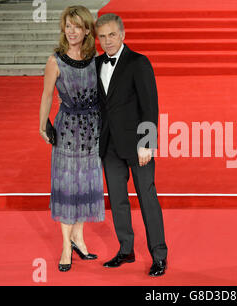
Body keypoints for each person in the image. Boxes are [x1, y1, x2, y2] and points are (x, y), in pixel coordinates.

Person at [95, 13, 168, 277]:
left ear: (123, 34)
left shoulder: (139, 62)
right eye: (102, 36)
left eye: (112, 35)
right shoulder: (96, 64)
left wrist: (147, 143)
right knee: (117, 200)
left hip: (138, 146)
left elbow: (150, 105)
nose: (107, 41)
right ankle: (126, 249)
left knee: (147, 198)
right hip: (109, 146)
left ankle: (159, 256)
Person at [38, 6, 104, 272]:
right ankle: (66, 245)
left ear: (87, 30)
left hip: (93, 129)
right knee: (66, 185)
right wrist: (43, 125)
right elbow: (46, 95)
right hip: (66, 130)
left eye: (77, 26)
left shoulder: (95, 58)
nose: (72, 31)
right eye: (68, 26)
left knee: (86, 182)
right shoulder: (55, 61)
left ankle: (79, 237)